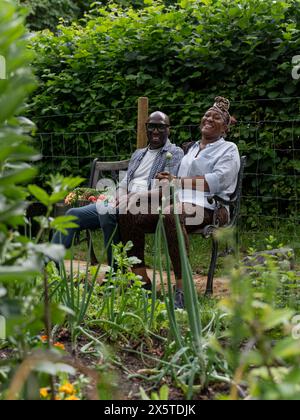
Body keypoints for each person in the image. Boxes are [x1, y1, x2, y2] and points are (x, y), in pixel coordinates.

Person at [118, 97, 241, 308]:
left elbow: (216, 182)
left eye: (216, 117)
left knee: (170, 213)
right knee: (127, 209)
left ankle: (183, 291)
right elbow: (174, 187)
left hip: (212, 207)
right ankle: (141, 281)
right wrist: (142, 196)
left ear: (225, 128)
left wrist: (178, 181)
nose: (209, 118)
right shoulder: (192, 149)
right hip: (177, 203)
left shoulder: (228, 149)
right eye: (207, 115)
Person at [52, 111, 184, 271]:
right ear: (146, 128)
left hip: (145, 204)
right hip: (124, 201)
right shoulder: (138, 154)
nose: (155, 131)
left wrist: (132, 196)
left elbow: (166, 190)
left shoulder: (174, 153)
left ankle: (115, 273)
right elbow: (123, 183)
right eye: (152, 127)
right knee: (73, 214)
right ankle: (50, 263)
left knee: (106, 210)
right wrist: (117, 197)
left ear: (168, 129)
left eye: (161, 127)